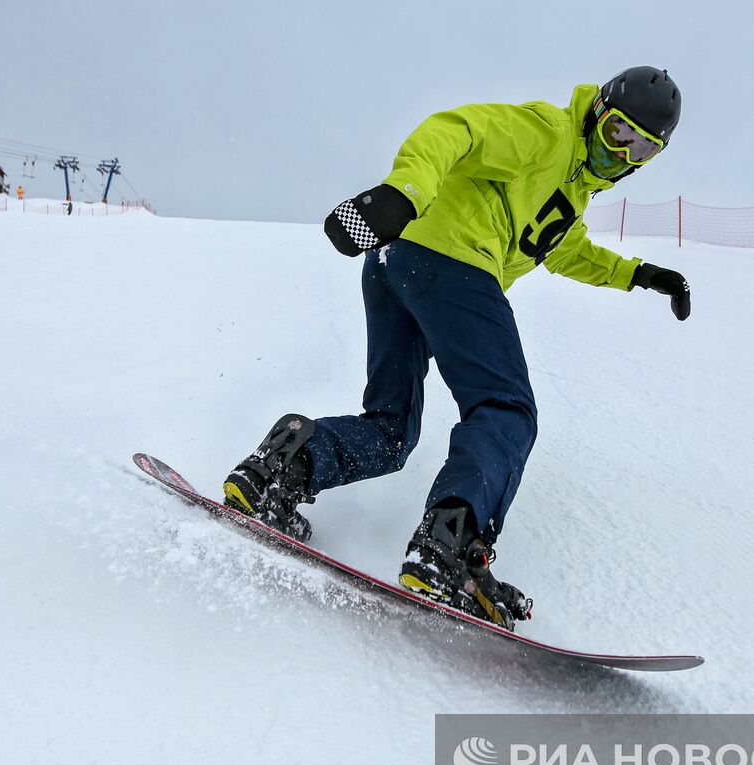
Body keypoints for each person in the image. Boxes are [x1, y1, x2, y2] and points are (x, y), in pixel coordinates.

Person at [224, 66, 691, 630]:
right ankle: (451, 548)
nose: (622, 155)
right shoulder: (549, 134)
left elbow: (568, 250)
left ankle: (286, 466)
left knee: (391, 430)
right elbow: (455, 130)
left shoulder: (570, 189)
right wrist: (405, 191)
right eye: (619, 133)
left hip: (397, 263)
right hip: (452, 260)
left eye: (642, 149)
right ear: (598, 112)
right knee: (506, 409)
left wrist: (640, 274)